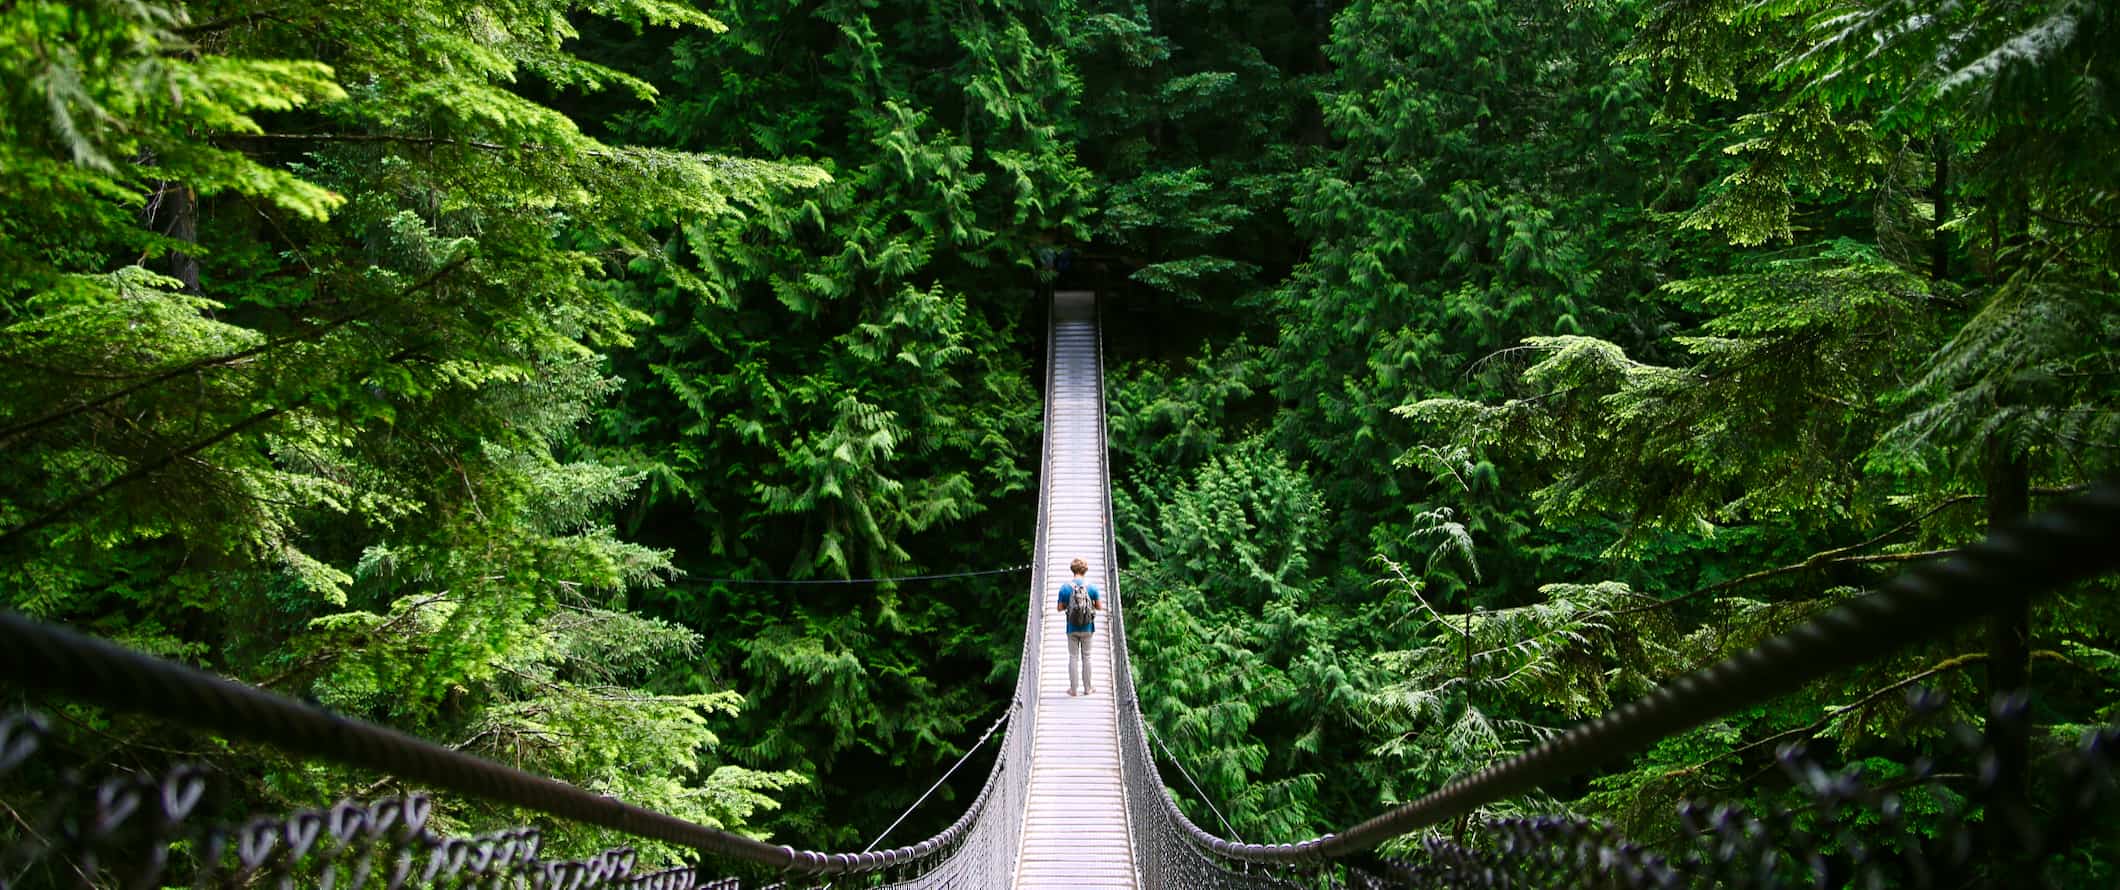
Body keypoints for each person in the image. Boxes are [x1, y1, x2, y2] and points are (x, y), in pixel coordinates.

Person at [1056, 557, 1103, 696]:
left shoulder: (1065, 588)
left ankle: (1073, 690)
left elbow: (1059, 608)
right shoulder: (1092, 587)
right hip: (1088, 627)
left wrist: (1069, 605)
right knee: (1087, 657)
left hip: (1071, 628)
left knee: (1073, 657)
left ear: (1072, 570)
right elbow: (1099, 607)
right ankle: (1088, 689)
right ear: (1085, 570)